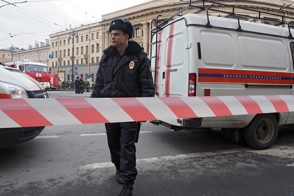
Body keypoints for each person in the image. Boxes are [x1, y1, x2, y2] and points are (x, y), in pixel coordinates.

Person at [91, 18, 154, 196]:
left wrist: (145, 110)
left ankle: (128, 183)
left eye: (116, 34)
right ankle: (118, 168)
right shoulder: (107, 56)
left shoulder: (139, 57)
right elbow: (99, 82)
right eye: (111, 33)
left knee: (127, 145)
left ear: (126, 36)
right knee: (113, 143)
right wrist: (92, 105)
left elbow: (147, 86)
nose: (112, 36)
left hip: (131, 111)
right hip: (109, 109)